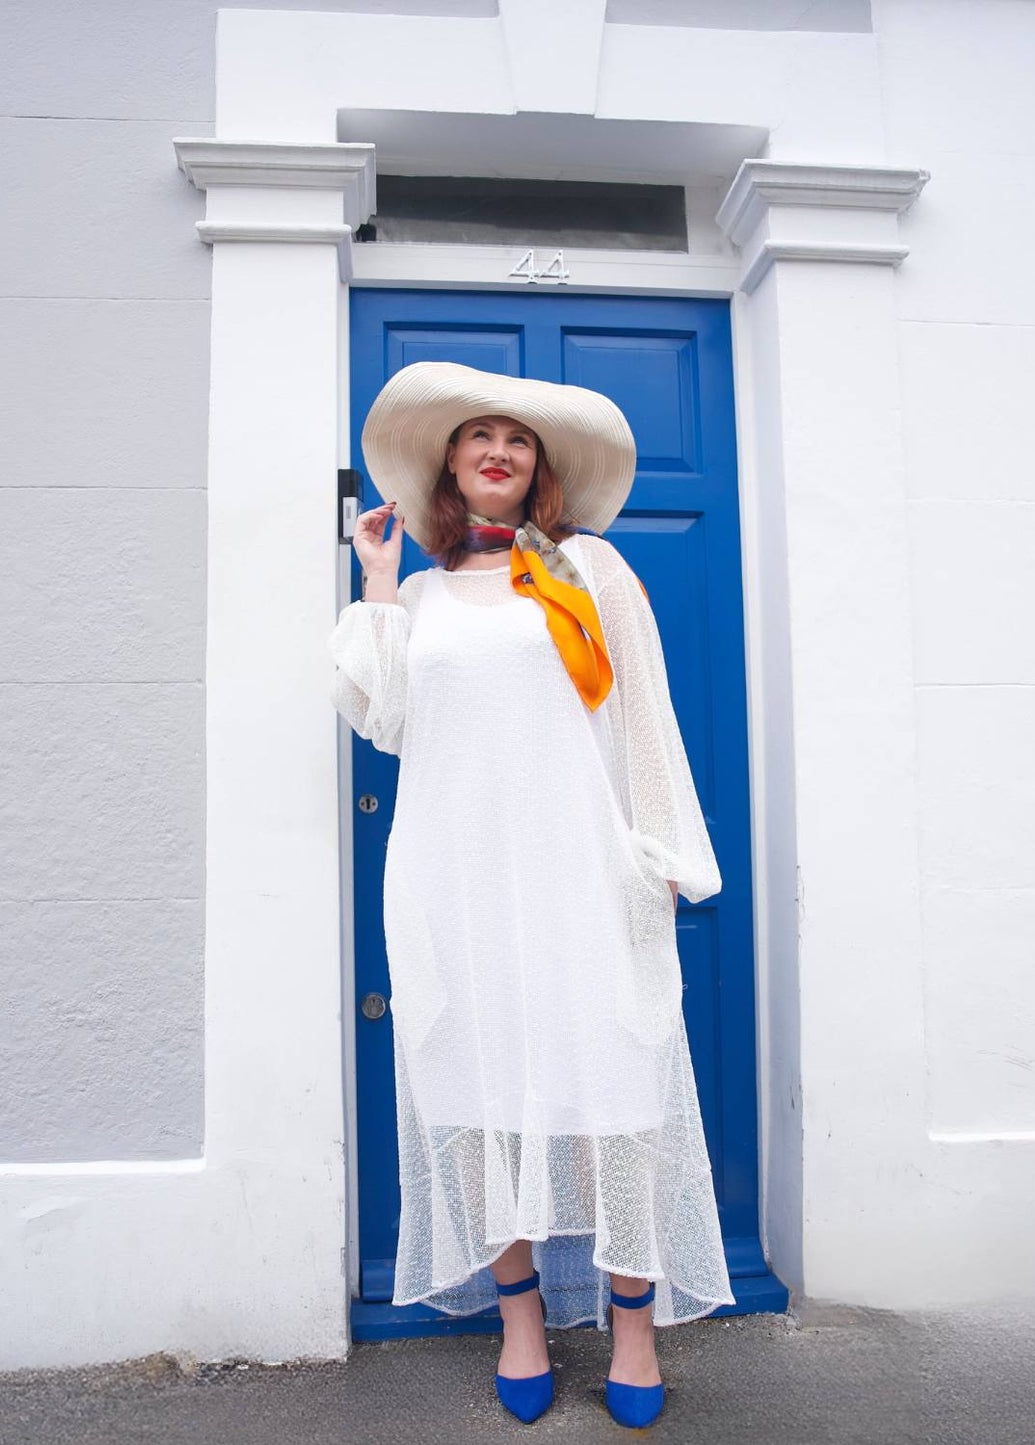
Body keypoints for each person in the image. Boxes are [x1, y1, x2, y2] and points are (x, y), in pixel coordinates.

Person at [329, 361, 733, 1427]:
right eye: (476, 438)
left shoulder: (585, 571)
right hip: (452, 873)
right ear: (450, 469)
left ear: (538, 470)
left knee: (616, 1092)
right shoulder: (416, 594)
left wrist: (662, 848)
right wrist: (375, 583)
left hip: (579, 868)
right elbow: (381, 715)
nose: (497, 450)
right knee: (471, 1092)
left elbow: (642, 714)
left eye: (517, 439)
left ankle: (631, 1322)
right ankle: (518, 1318)